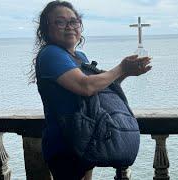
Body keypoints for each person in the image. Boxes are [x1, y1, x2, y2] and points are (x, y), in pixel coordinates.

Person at [30, 1, 152, 179]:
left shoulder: (79, 56)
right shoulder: (50, 54)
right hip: (65, 144)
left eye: (74, 21)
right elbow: (85, 86)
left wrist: (127, 73)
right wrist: (121, 68)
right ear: (46, 28)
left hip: (84, 138)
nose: (69, 26)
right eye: (60, 22)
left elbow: (98, 87)